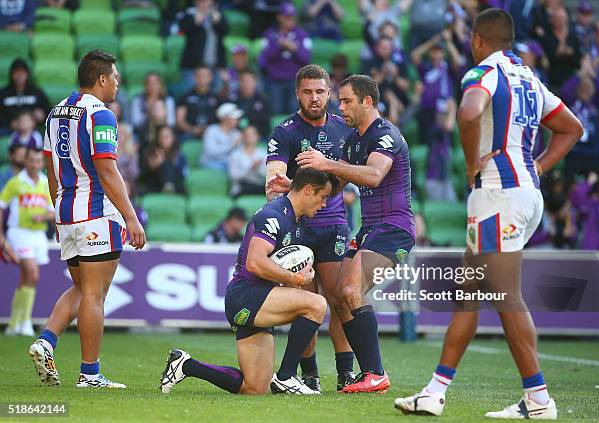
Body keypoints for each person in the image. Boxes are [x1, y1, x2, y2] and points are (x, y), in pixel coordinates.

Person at [394, 9, 583, 418]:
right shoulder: (529, 77)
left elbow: (467, 113)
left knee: (505, 297)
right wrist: (539, 168)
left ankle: (538, 399)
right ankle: (434, 391)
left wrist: (470, 162)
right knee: (468, 296)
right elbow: (572, 128)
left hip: (498, 196)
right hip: (525, 194)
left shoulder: (483, 73)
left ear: (478, 39)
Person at [160, 168, 335, 395]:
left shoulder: (293, 219)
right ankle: (287, 376)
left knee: (254, 387)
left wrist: (296, 278)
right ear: (309, 190)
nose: (324, 205)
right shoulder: (274, 216)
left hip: (258, 298)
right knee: (317, 304)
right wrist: (296, 278)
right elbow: (255, 263)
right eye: (323, 197)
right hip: (247, 295)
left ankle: (185, 365)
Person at [292, 74, 417, 393]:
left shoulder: (386, 135)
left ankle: (375, 373)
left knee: (349, 291)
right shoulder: (353, 140)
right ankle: (368, 374)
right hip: (369, 230)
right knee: (341, 299)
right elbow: (334, 187)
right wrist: (295, 191)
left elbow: (374, 175)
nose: (340, 106)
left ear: (367, 102)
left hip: (394, 229)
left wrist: (329, 163)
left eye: (347, 101)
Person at [29, 50, 146, 389]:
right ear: (101, 80)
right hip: (96, 212)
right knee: (95, 294)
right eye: (115, 77)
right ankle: (90, 374)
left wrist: (57, 214)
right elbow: (108, 171)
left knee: (82, 288)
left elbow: (51, 169)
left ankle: (47, 340)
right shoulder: (102, 115)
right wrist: (132, 218)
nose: (118, 83)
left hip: (66, 212)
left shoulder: (54, 113)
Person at [265, 64, 357, 392]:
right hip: (298, 228)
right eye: (307, 92)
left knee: (340, 299)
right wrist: (285, 183)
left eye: (320, 91)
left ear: (329, 93)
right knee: (306, 301)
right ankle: (310, 375)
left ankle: (346, 373)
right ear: (297, 94)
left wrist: (303, 183)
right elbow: (274, 182)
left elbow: (349, 176)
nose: (314, 98)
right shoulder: (285, 131)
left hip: (332, 225)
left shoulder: (345, 129)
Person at [0, 148, 54, 336]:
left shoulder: (46, 183)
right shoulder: (16, 183)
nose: (35, 164)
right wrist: (1, 235)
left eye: (38, 161)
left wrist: (44, 217)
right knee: (33, 275)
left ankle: (14, 324)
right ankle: (26, 322)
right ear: (26, 161)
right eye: (32, 160)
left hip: (38, 235)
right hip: (19, 233)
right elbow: (1, 206)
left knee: (25, 277)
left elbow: (52, 210)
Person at [259, 3, 312, 115]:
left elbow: (306, 59)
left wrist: (293, 49)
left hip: (295, 82)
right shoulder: (270, 34)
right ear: (279, 17)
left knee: (294, 116)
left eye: (292, 17)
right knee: (276, 114)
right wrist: (279, 47)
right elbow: (264, 59)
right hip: (275, 81)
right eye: (287, 17)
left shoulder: (301, 35)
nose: (290, 20)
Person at [0, 59, 50, 135]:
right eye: (16, 72)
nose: (20, 76)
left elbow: (49, 110)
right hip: (9, 129)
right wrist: (9, 123)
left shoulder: (36, 92)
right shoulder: (3, 93)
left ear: (27, 74)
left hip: (33, 129)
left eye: (22, 73)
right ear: (11, 74)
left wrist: (42, 115)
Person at [176, 66, 220, 140]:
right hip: (189, 132)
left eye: (205, 75)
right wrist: (192, 129)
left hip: (211, 133)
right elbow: (180, 120)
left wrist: (210, 130)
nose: (203, 78)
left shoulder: (217, 98)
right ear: (194, 77)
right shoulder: (185, 97)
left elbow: (222, 119)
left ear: (211, 77)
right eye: (200, 75)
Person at [140, 125, 187, 194]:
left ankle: (168, 186)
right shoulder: (150, 152)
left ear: (173, 138)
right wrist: (153, 167)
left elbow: (184, 174)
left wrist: (173, 165)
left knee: (167, 164)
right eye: (161, 136)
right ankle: (167, 187)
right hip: (156, 184)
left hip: (175, 185)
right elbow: (143, 177)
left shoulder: (179, 154)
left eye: (166, 137)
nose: (163, 139)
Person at [201, 103, 242, 170]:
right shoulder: (212, 130)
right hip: (211, 162)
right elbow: (211, 152)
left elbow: (239, 154)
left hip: (229, 163)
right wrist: (232, 145)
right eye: (234, 118)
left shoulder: (236, 133)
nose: (237, 121)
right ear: (225, 118)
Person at [229, 125, 267, 198]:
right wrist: (250, 168)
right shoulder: (235, 154)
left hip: (259, 186)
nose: (250, 136)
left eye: (252, 134)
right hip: (241, 187)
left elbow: (267, 175)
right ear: (243, 136)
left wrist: (257, 169)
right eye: (247, 134)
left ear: (258, 136)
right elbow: (233, 176)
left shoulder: (263, 154)